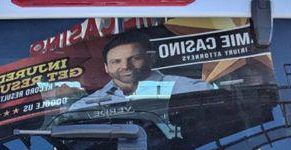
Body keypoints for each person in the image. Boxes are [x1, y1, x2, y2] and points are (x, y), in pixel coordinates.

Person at [69, 30, 212, 111]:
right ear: (106, 67)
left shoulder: (192, 90)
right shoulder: (85, 107)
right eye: (116, 61)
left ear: (151, 59)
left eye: (135, 58)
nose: (125, 66)